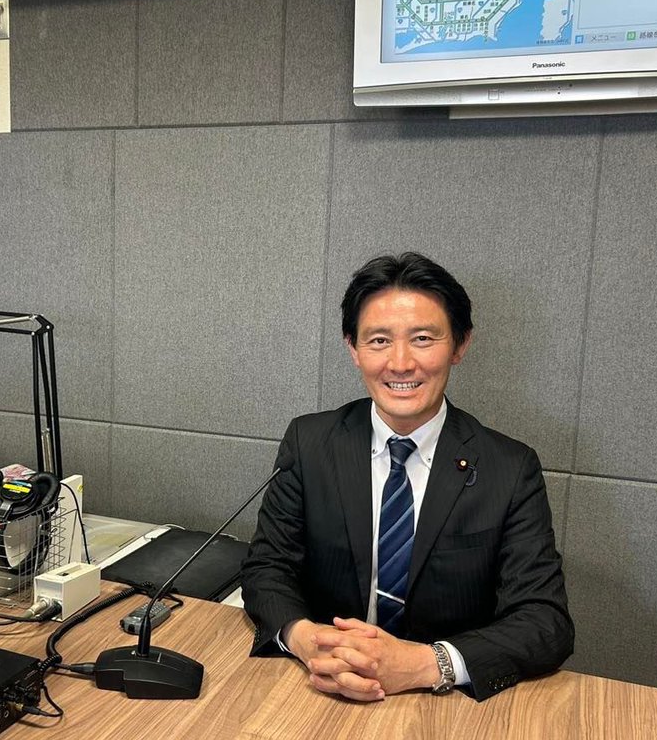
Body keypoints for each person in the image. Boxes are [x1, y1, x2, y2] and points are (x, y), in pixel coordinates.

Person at [241, 252, 573, 702]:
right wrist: (309, 641)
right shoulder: (310, 442)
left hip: (441, 705)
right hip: (320, 689)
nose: (400, 363)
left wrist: (423, 664)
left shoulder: (509, 468)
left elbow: (545, 621)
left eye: (422, 339)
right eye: (379, 340)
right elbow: (267, 568)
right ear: (353, 349)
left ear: (459, 345)